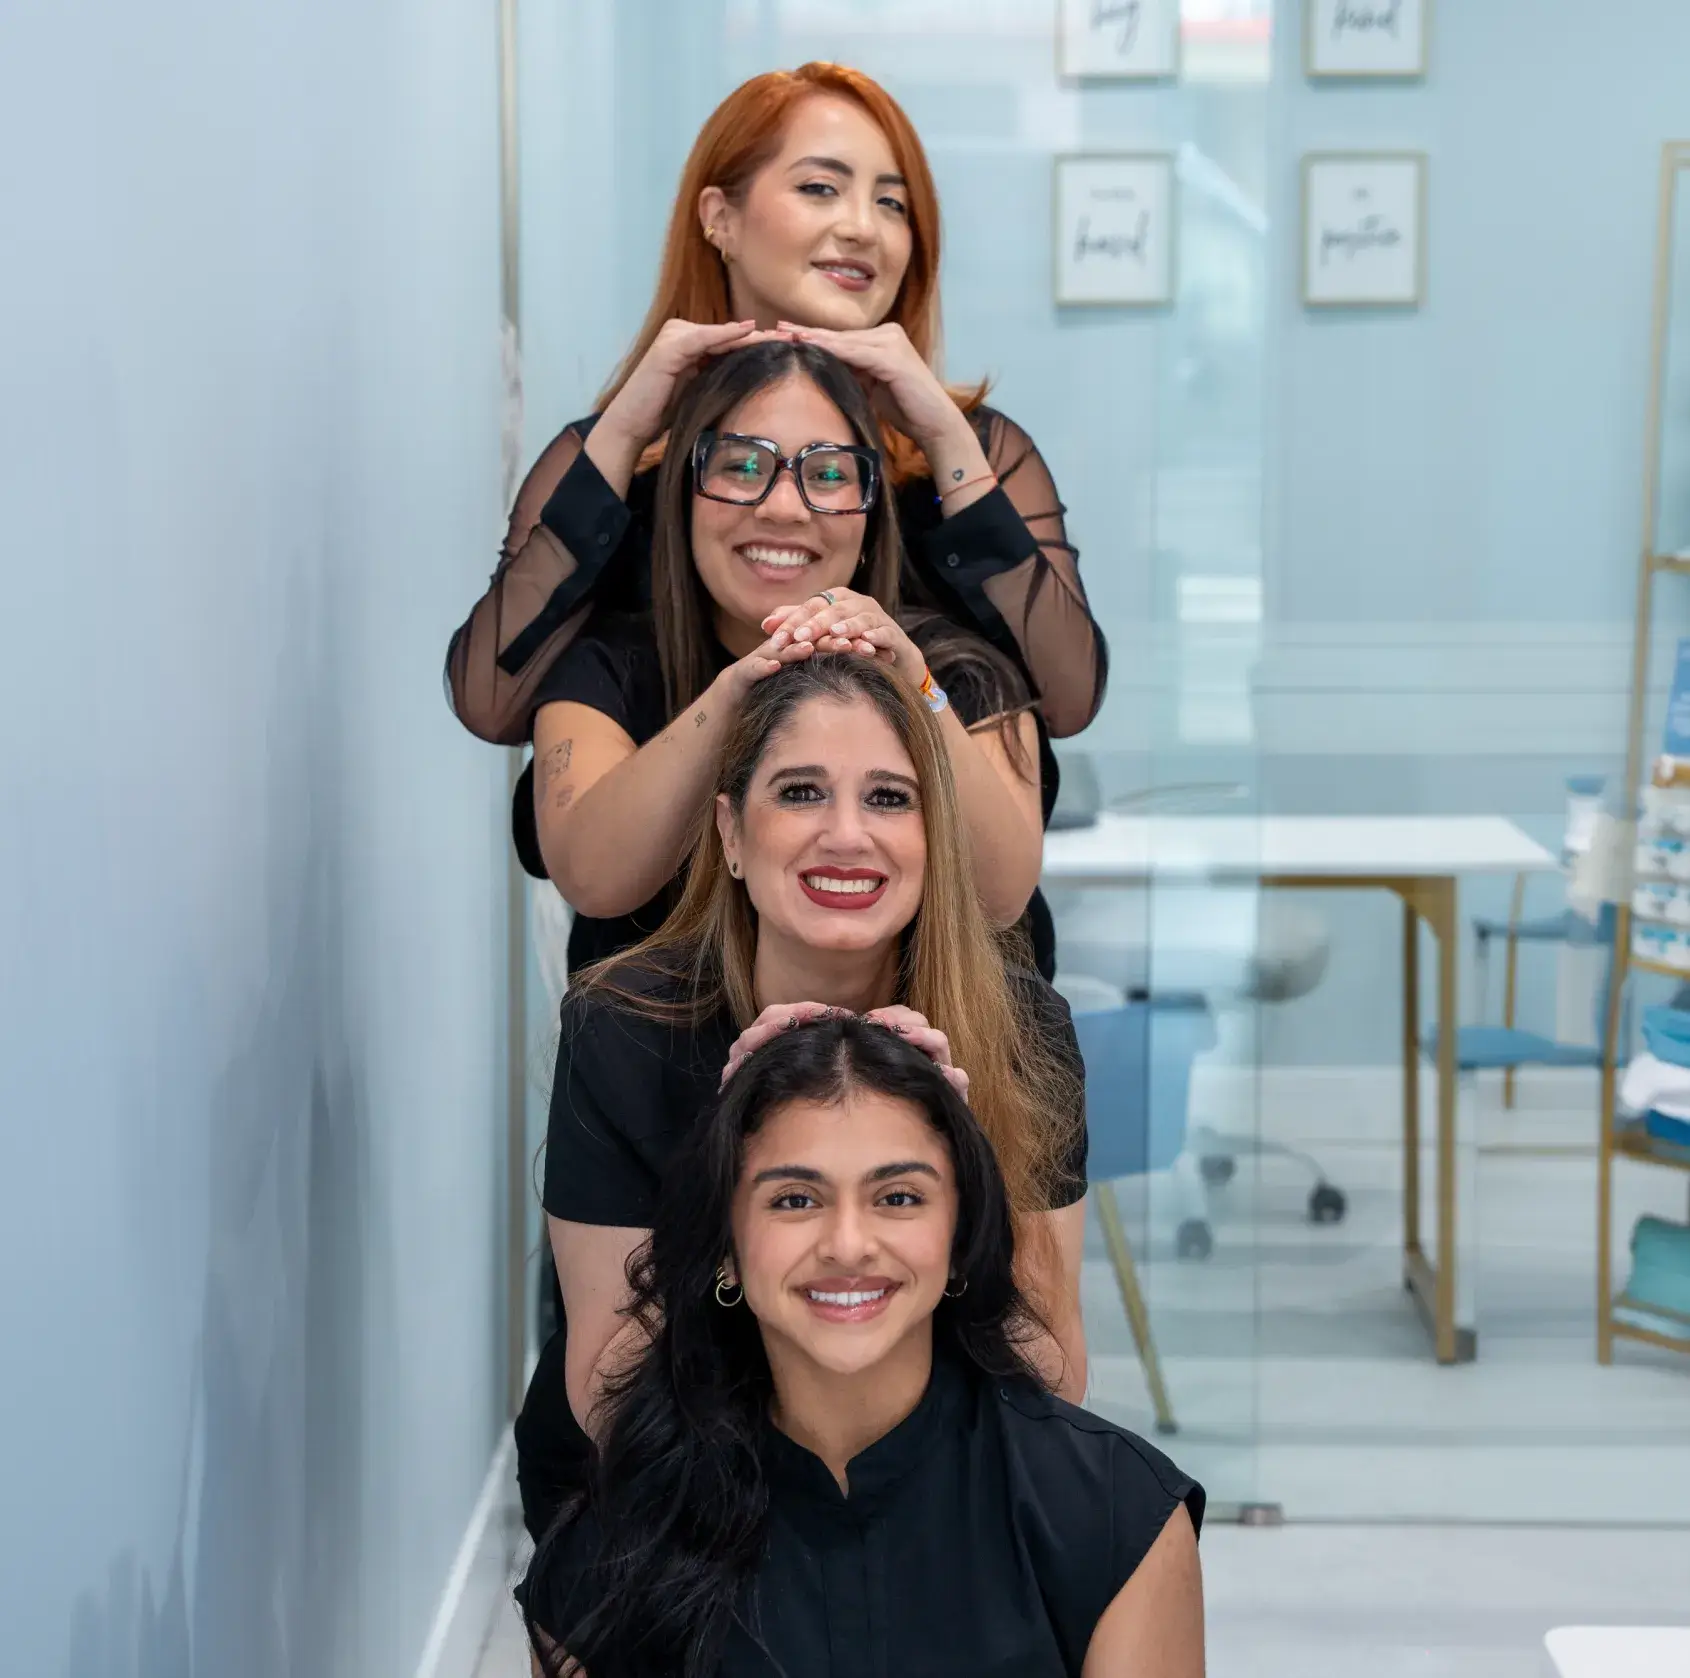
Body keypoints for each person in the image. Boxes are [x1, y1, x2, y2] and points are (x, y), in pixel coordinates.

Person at [444, 61, 1107, 975]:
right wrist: (634, 422)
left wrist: (943, 433)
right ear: (719, 218)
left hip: (941, 983)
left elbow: (1066, 697)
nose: (860, 227)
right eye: (821, 187)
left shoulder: (962, 457)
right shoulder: (620, 472)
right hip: (668, 988)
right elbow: (490, 700)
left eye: (892, 202)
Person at [513, 653, 1090, 1546]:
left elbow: (1052, 1376)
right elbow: (607, 1398)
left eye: (890, 798)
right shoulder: (623, 1027)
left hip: (926, 1486)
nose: (847, 836)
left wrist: (956, 1170)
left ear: (936, 835)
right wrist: (729, 1155)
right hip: (661, 1495)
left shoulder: (1022, 1027)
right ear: (732, 834)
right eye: (800, 793)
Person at [521, 1016, 1205, 1678]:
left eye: (899, 1197)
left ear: (961, 1238)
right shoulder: (605, 1558)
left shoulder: (1116, 1520)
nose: (848, 1245)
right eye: (794, 1200)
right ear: (725, 1249)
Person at [516, 335, 1044, 977]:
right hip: (660, 1064)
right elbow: (592, 877)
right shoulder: (605, 666)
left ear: (870, 512)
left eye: (827, 474)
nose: (785, 508)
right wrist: (734, 693)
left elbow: (1002, 894)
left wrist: (916, 683)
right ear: (685, 494)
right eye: (741, 467)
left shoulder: (956, 666)